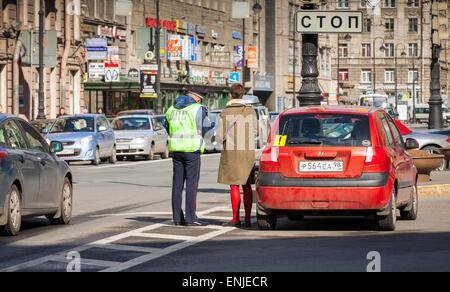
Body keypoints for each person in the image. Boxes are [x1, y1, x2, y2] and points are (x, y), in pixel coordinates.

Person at [166, 88, 215, 227]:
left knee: (177, 185)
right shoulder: (198, 109)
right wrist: (212, 125)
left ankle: (177, 217)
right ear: (197, 99)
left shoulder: (171, 108)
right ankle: (191, 217)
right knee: (191, 185)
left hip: (176, 149)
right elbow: (205, 128)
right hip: (192, 149)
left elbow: (167, 126)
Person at [217, 83, 258, 228]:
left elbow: (219, 136)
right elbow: (256, 132)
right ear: (242, 96)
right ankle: (247, 218)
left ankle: (235, 218)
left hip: (231, 152)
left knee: (234, 185)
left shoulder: (224, 113)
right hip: (247, 152)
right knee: (246, 186)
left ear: (230, 95)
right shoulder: (250, 111)